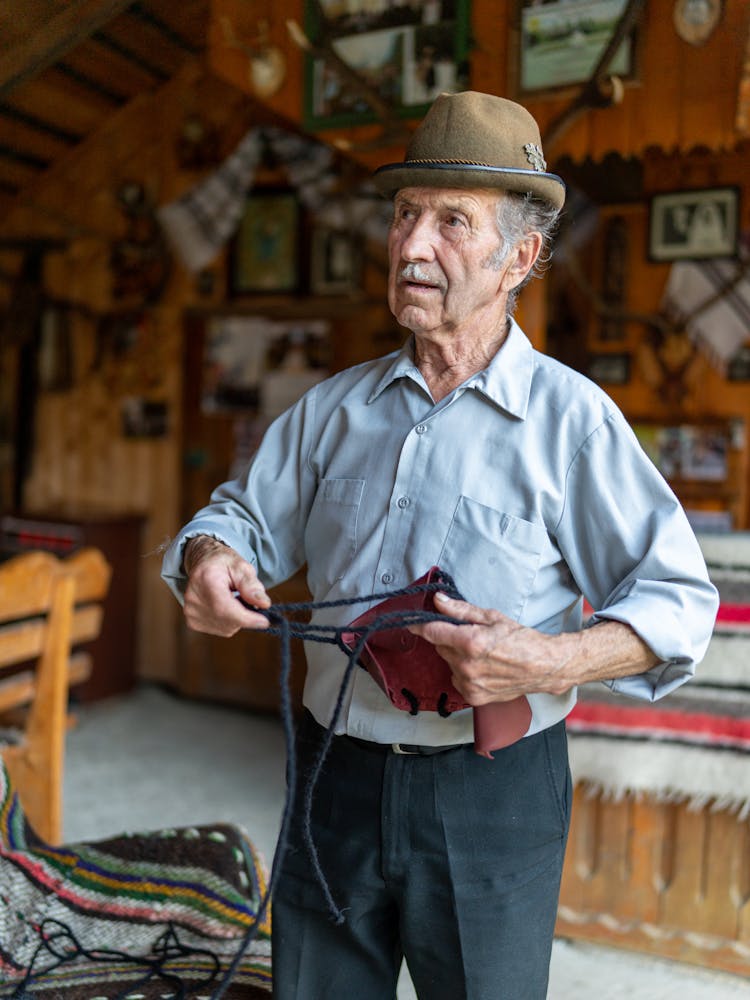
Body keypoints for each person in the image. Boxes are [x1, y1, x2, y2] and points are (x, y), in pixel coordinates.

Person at [161, 91, 718, 999]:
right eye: (405, 214)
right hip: (331, 774)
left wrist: (548, 659)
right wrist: (211, 559)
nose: (414, 246)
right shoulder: (332, 409)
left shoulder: (573, 422)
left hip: (489, 795)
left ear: (520, 258)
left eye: (452, 222)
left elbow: (679, 604)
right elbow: (236, 520)